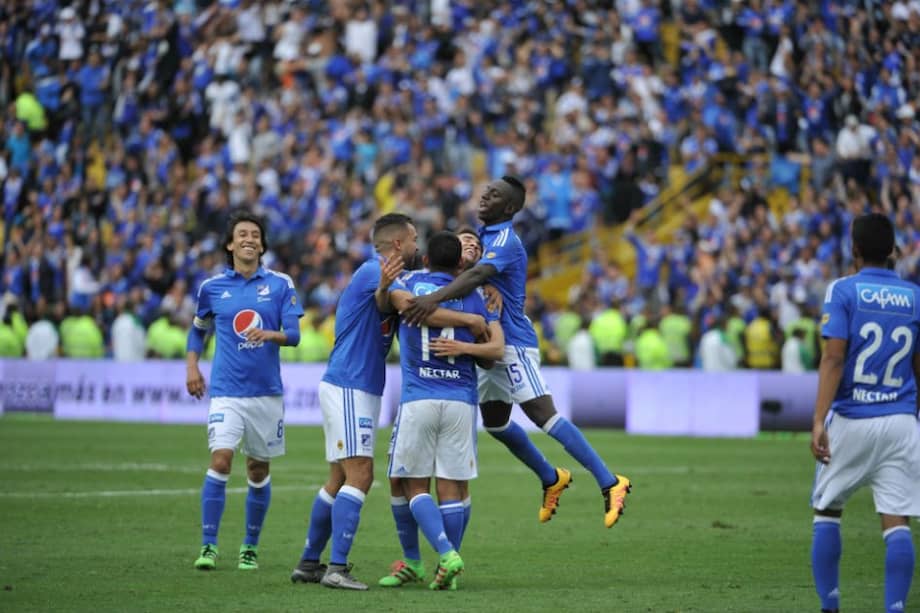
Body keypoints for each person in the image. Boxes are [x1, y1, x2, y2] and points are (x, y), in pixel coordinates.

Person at [402, 176, 632, 528]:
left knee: (543, 413)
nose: (484, 196)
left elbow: (477, 275)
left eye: (493, 195)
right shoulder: (485, 238)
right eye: (485, 190)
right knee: (495, 422)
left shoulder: (506, 240)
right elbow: (469, 272)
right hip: (489, 342)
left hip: (513, 342)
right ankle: (551, 477)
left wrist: (431, 300)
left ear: (509, 207)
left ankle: (610, 481)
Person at [290, 214, 488, 590]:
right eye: (413, 239)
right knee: (360, 475)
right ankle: (336, 567)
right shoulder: (374, 270)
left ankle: (309, 562)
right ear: (398, 244)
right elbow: (413, 307)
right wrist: (472, 321)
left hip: (359, 385)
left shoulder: (387, 276)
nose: (417, 246)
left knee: (338, 477)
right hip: (351, 383)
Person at [810, 213, 920, 613]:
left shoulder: (842, 290)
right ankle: (894, 608)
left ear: (853, 250)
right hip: (901, 420)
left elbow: (833, 358)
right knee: (897, 520)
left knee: (827, 510)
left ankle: (831, 605)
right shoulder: (914, 296)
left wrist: (818, 419)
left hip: (853, 418)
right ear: (893, 251)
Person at [384, 231, 504, 590]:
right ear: (460, 265)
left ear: (424, 260)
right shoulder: (477, 297)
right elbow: (494, 348)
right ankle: (445, 570)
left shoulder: (407, 282)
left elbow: (402, 303)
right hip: (461, 401)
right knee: (452, 487)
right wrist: (470, 326)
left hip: (419, 396)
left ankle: (445, 555)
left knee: (410, 482)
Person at [185, 210, 303, 572]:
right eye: (242, 234)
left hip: (266, 394)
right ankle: (208, 546)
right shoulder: (212, 288)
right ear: (230, 244)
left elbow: (294, 336)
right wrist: (192, 366)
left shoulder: (281, 284)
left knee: (256, 469)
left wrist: (271, 335)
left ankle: (249, 546)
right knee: (221, 459)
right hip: (226, 392)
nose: (249, 239)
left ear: (263, 244)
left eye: (255, 234)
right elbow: (198, 330)